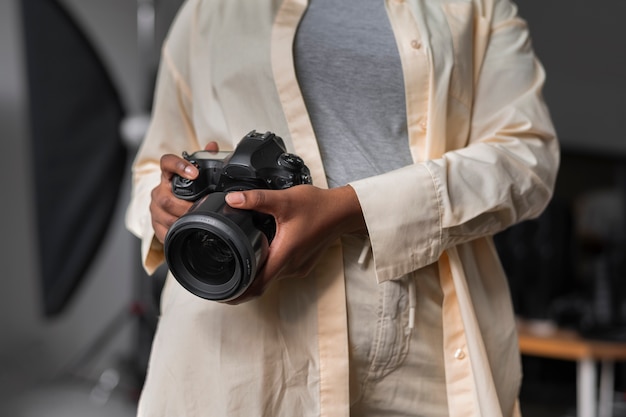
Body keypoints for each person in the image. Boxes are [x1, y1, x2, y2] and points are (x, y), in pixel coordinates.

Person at [125, 0, 559, 416]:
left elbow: (527, 159)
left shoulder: (475, 8)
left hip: (428, 328)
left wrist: (351, 208)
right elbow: (154, 162)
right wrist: (162, 205)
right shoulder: (210, 8)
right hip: (240, 323)